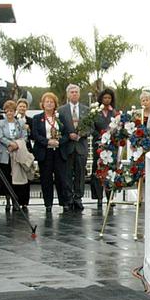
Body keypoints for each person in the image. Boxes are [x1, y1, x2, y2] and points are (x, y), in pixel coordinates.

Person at [31, 91, 65, 215]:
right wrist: (47, 142)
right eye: (47, 102)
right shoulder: (37, 118)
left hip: (58, 151)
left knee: (61, 178)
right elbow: (35, 134)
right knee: (46, 179)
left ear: (55, 104)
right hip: (44, 152)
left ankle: (64, 202)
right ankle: (48, 204)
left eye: (51, 102)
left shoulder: (60, 118)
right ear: (43, 104)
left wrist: (58, 142)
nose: (49, 104)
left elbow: (65, 133)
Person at [58, 84, 88, 213]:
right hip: (68, 147)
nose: (74, 94)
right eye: (72, 92)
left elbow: (91, 127)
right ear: (68, 94)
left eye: (76, 92)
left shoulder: (86, 110)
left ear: (79, 94)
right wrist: (68, 135)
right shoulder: (61, 110)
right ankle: (69, 198)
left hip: (81, 146)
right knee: (67, 174)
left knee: (81, 174)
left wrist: (82, 133)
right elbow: (58, 127)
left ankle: (78, 198)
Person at [0, 99, 32, 209]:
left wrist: (16, 144)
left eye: (12, 111)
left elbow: (24, 136)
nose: (9, 113)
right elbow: (0, 136)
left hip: (17, 154)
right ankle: (7, 200)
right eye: (7, 111)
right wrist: (10, 144)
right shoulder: (0, 123)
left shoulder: (20, 123)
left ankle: (16, 200)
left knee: (16, 179)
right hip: (5, 154)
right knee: (6, 178)